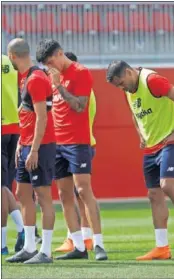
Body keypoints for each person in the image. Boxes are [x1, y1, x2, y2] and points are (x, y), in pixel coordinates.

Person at [106, 60, 174, 260]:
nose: (121, 88)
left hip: (170, 142)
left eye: (121, 83)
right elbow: (134, 114)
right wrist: (141, 134)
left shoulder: (152, 80)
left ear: (128, 72)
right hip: (151, 147)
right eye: (118, 86)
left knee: (167, 185)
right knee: (154, 195)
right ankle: (162, 247)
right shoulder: (128, 91)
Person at [36, 39, 107, 261]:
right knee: (64, 194)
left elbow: (79, 106)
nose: (50, 67)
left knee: (84, 191)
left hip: (78, 142)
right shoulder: (50, 76)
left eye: (50, 62)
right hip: (57, 143)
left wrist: (58, 85)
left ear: (59, 54)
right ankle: (78, 245)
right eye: (46, 65)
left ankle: (99, 244)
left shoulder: (80, 72)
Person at [5, 38, 56, 264]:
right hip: (26, 145)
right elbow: (28, 115)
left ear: (13, 56)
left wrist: (33, 148)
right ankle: (28, 247)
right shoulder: (25, 77)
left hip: (40, 147)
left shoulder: (36, 79)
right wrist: (21, 144)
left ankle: (45, 251)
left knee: (43, 196)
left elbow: (42, 117)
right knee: (22, 195)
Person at [54, 51, 96, 253]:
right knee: (70, 194)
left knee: (80, 193)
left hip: (80, 143)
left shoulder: (83, 89)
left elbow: (82, 112)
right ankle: (78, 238)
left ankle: (85, 238)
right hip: (67, 143)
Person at [1, 54, 25, 255]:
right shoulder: (9, 61)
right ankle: (23, 230)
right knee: (5, 186)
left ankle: (2, 244)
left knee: (1, 188)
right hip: (14, 128)